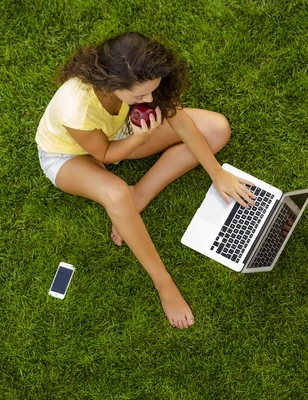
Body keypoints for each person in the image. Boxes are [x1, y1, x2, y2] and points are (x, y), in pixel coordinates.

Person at [36, 32, 256, 329]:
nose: (150, 100)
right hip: (69, 157)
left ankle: (139, 194)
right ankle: (164, 284)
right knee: (114, 193)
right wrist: (142, 136)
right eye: (140, 96)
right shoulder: (76, 107)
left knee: (216, 129)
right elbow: (105, 154)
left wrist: (216, 172)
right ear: (112, 84)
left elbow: (180, 121)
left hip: (123, 133)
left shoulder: (145, 76)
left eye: (152, 92)